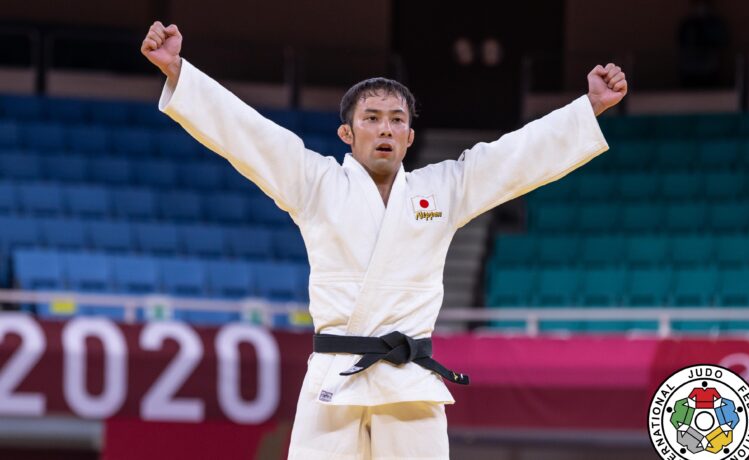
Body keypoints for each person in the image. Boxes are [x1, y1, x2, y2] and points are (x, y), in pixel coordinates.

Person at [141, 21, 627, 460]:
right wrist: (178, 71)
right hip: (333, 380)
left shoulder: (442, 189)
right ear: (346, 133)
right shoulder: (315, 184)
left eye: (397, 119)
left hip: (410, 385)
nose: (385, 129)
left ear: (411, 136)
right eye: (371, 118)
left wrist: (590, 108)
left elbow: (514, 158)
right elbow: (249, 135)